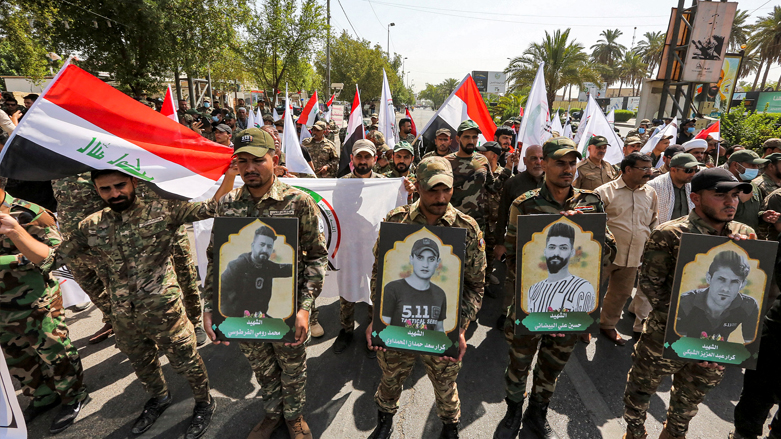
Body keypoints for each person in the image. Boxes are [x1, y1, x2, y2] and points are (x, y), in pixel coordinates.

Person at [0, 168, 234, 438]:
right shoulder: (91, 225)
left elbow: (215, 206)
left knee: (187, 361)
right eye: (106, 189)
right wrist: (17, 232)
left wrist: (230, 173)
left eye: (120, 185)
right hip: (123, 315)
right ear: (97, 191)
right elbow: (52, 259)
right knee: (142, 364)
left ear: (133, 182)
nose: (115, 193)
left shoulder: (163, 210)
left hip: (164, 311)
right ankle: (159, 399)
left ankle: (204, 402)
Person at [203, 130, 326, 439]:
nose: (249, 168)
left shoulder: (297, 202)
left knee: (292, 367)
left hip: (288, 312)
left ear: (276, 159)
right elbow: (214, 260)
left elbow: (317, 257)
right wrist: (209, 307)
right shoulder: (228, 204)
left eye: (258, 160)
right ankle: (272, 414)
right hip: (244, 314)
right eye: (242, 161)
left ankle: (294, 417)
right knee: (263, 368)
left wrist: (305, 309)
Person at [494, 137, 616, 439]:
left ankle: (538, 413)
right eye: (560, 162)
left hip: (573, 306)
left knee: (552, 365)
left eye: (572, 162)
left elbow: (609, 251)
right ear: (543, 163)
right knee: (519, 362)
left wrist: (587, 232)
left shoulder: (591, 202)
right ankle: (512, 412)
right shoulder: (525, 204)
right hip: (531, 301)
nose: (568, 168)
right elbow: (511, 256)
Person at [622, 167, 755, 439]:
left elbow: (753, 287)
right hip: (664, 337)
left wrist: (745, 251)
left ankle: (673, 433)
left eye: (734, 195)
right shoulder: (669, 234)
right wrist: (690, 326)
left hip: (714, 343)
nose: (730, 202)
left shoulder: (745, 234)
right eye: (720, 195)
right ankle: (635, 432)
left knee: (689, 401)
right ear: (695, 198)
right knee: (640, 390)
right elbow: (650, 286)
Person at [366, 156, 486, 439]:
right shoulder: (397, 222)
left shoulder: (466, 229)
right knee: (391, 377)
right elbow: (379, 275)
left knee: (445, 384)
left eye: (447, 189)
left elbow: (475, 286)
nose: (441, 197)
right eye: (433, 190)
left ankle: (449, 425)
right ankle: (384, 420)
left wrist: (460, 326)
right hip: (398, 325)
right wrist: (377, 318)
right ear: (417, 186)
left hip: (441, 327)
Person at [0, 183, 89, 434]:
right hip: (2, 309)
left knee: (55, 351)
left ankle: (73, 396)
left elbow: (55, 256)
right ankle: (42, 396)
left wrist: (13, 245)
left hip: (36, 302)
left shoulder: (27, 212)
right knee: (18, 357)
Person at [592, 152, 658, 345]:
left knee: (621, 294)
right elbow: (592, 225)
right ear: (628, 169)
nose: (649, 172)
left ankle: (608, 325)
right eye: (644, 168)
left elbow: (653, 223)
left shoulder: (650, 193)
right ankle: (583, 325)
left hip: (633, 256)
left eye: (650, 167)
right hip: (604, 256)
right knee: (590, 291)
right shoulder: (604, 192)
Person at [334, 140, 385, 356]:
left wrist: (406, 190)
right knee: (347, 289)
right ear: (352, 159)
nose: (363, 161)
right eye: (359, 157)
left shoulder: (385, 183)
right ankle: (346, 329)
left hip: (374, 248)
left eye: (367, 157)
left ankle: (373, 329)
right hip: (349, 247)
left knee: (375, 290)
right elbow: (336, 213)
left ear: (374, 159)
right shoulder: (342, 184)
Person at [494, 144, 545, 328]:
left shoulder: (555, 181)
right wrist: (500, 243)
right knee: (512, 280)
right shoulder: (513, 184)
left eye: (541, 158)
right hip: (518, 242)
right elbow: (502, 215)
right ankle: (506, 313)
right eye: (533, 158)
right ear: (525, 161)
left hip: (547, 245)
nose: (538, 162)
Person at [446, 120, 512, 238]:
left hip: (477, 224)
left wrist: (507, 169)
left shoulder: (482, 160)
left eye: (474, 137)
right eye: (466, 137)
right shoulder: (446, 162)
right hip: (452, 223)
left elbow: (492, 188)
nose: (471, 141)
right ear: (457, 138)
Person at [675, 250, 759, 342]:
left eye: (734, 282)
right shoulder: (685, 302)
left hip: (721, 353)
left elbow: (751, 345)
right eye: (721, 279)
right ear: (709, 278)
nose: (726, 289)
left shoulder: (749, 306)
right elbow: (677, 343)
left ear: (742, 284)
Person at [219, 225, 293, 318]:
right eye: (262, 245)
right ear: (253, 246)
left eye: (269, 246)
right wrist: (228, 316)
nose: (265, 250)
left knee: (284, 328)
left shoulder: (268, 267)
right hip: (237, 319)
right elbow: (219, 290)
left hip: (259, 317)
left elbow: (288, 269)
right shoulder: (238, 266)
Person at [527, 222, 596, 313]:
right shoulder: (534, 290)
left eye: (563, 248)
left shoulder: (582, 288)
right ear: (545, 251)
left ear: (572, 253)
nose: (556, 253)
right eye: (552, 247)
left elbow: (585, 324)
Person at [381, 238, 448, 332]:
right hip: (395, 344)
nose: (425, 264)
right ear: (411, 259)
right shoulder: (392, 289)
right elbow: (383, 326)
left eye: (431, 259)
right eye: (420, 258)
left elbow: (439, 329)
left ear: (437, 262)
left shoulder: (440, 294)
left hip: (426, 345)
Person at [478, 141, 519, 287]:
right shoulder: (480, 173)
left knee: (491, 256)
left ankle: (487, 282)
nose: (480, 155)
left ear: (494, 155)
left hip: (496, 224)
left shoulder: (507, 176)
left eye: (484, 153)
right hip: (480, 221)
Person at [726, 150, 775, 230]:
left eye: (757, 166)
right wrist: (739, 200)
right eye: (751, 165)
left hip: (749, 237)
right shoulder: (723, 186)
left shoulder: (753, 186)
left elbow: (755, 212)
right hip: (728, 236)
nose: (756, 169)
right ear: (736, 165)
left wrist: (763, 215)